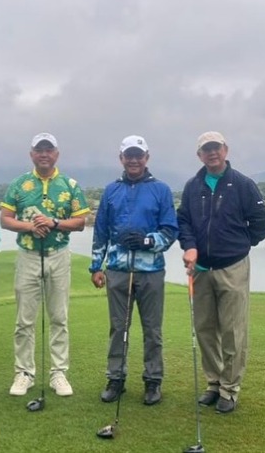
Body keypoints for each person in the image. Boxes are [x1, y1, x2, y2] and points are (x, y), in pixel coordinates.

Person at [177, 131, 265, 414]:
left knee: (232, 331)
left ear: (225, 150)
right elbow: (183, 221)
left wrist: (239, 245)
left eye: (216, 147)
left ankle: (230, 389)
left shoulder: (242, 184)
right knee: (205, 330)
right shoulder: (193, 186)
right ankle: (214, 383)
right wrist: (190, 246)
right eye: (206, 149)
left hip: (232, 267)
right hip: (200, 269)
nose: (212, 153)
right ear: (200, 155)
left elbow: (260, 223)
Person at [89, 135, 178, 406]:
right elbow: (101, 231)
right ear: (121, 158)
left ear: (146, 157)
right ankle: (116, 379)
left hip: (151, 271)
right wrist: (96, 266)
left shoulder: (161, 189)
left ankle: (153, 380)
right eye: (129, 155)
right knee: (118, 328)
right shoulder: (111, 191)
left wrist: (147, 241)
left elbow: (170, 231)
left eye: (138, 155)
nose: (134, 160)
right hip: (117, 269)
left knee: (152, 329)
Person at [0, 133, 90, 397]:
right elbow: (5, 219)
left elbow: (81, 222)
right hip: (28, 255)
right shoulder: (19, 184)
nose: (44, 154)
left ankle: (58, 373)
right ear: (32, 154)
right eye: (39, 150)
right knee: (24, 320)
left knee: (59, 318)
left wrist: (53, 223)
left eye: (48, 150)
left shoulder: (70, 185)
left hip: (59, 255)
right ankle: (24, 373)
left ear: (56, 154)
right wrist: (30, 226)